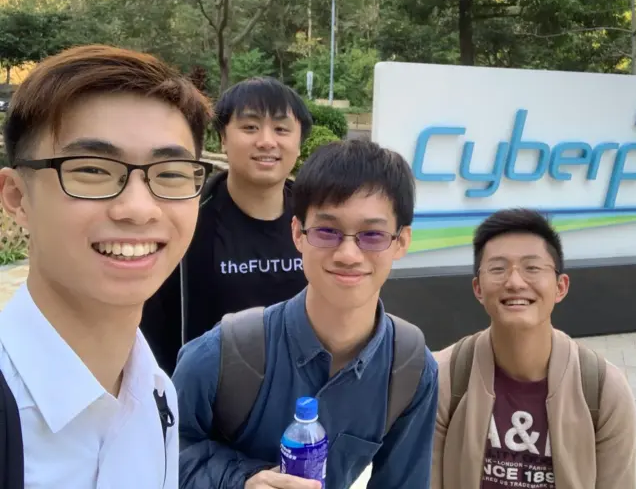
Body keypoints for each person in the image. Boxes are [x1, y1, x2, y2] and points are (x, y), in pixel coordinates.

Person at [0, 45, 213, 488]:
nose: (138, 209)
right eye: (93, 170)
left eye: (171, 173)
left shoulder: (157, 393)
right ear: (16, 197)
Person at [173, 139, 439, 489]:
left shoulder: (409, 370)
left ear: (401, 242)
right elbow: (157, 452)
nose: (348, 254)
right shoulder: (224, 355)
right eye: (327, 231)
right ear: (298, 233)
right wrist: (242, 479)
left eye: (372, 235)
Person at [431, 209, 636, 489]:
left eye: (532, 268)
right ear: (478, 288)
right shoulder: (442, 378)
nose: (515, 282)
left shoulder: (604, 390)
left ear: (560, 287)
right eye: (498, 268)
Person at [141, 77, 313, 375]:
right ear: (222, 138)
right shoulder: (185, 217)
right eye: (250, 127)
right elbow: (152, 323)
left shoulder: (319, 222)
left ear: (298, 144)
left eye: (282, 129)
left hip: (300, 396)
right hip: (201, 396)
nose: (267, 141)